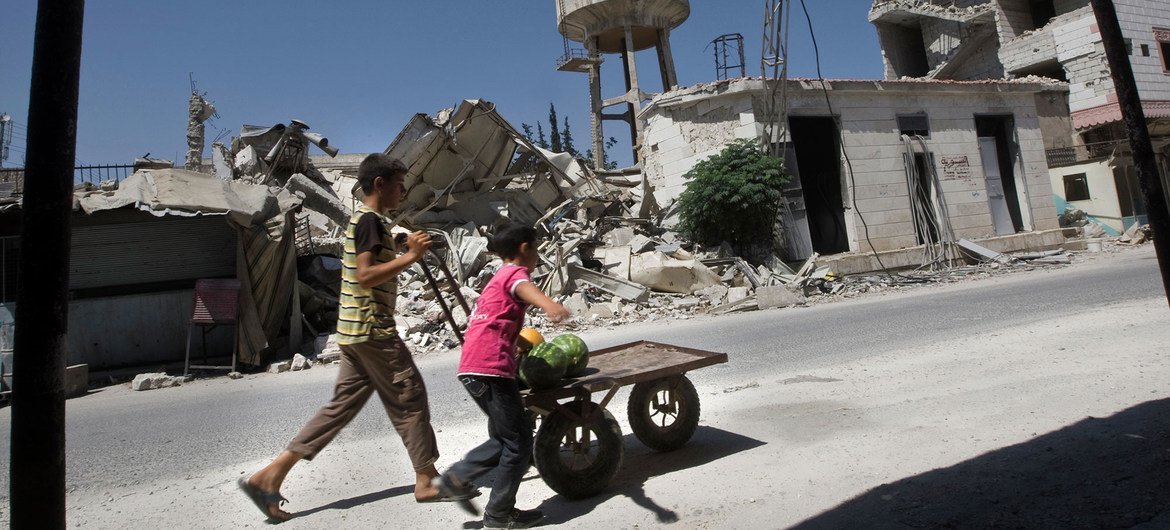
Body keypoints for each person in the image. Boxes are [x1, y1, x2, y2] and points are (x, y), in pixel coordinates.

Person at [239, 154, 462, 522]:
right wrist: (410, 257)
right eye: (399, 184)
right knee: (410, 395)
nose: (404, 190)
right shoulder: (370, 221)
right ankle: (426, 478)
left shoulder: (368, 221)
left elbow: (377, 246)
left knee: (338, 409)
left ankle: (268, 476)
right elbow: (365, 275)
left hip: (352, 331)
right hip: (373, 329)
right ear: (379, 184)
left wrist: (405, 240)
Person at [434, 221, 571, 529]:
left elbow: (494, 321)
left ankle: (463, 482)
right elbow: (523, 287)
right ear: (525, 249)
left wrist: (520, 343)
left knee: (505, 437)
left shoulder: (496, 278)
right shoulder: (515, 275)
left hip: (475, 368)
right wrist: (550, 304)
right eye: (536, 249)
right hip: (491, 370)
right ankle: (494, 512)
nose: (537, 256)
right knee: (519, 442)